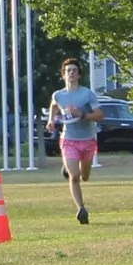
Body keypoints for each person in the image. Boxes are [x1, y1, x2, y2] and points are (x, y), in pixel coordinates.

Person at [48, 58, 102, 224]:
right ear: (63, 75)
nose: (71, 73)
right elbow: (54, 105)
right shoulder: (59, 95)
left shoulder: (86, 94)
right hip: (69, 140)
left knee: (84, 176)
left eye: (74, 71)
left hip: (87, 140)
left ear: (79, 75)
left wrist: (82, 115)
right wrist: (51, 120)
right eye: (68, 71)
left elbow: (100, 115)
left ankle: (70, 167)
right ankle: (81, 209)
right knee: (75, 176)